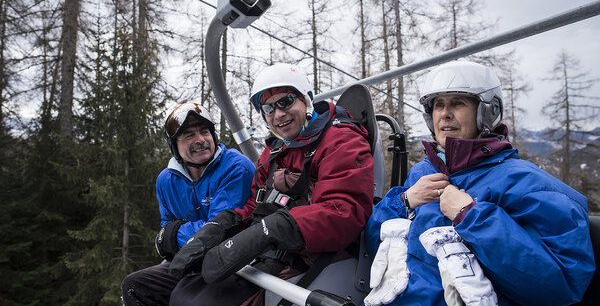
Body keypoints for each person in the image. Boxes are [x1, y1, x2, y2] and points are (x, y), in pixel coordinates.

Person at [364, 60, 595, 306]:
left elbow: (560, 286)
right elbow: (370, 244)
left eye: (458, 103)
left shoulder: (529, 183)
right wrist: (405, 201)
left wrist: (471, 216)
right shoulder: (422, 173)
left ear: (487, 112)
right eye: (439, 105)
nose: (445, 113)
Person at [167, 63, 375, 305]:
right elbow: (255, 204)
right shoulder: (275, 150)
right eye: (268, 108)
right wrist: (223, 225)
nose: (278, 114)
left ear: (305, 99)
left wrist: (273, 229)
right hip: (268, 255)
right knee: (185, 291)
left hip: (308, 256)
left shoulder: (340, 141)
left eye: (285, 102)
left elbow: (344, 211)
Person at [121, 102, 255, 306]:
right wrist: (172, 236)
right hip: (191, 260)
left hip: (233, 260)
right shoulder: (166, 180)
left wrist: (175, 236)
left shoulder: (235, 167)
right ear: (175, 145)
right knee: (135, 285)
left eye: (204, 132)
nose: (200, 140)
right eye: (189, 135)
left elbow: (220, 231)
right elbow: (167, 225)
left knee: (185, 300)